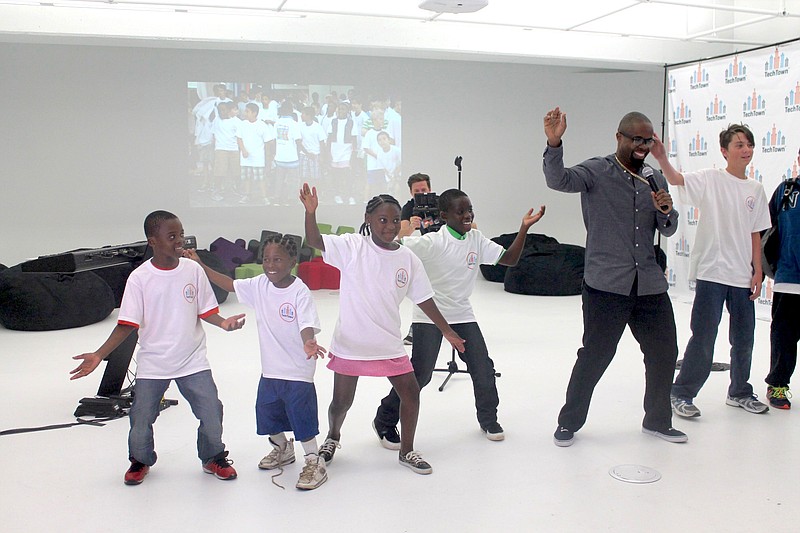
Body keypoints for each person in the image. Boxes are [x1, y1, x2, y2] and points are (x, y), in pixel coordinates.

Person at [542, 107, 686, 446]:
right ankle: (569, 422)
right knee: (595, 355)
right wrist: (554, 141)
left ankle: (657, 421)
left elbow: (669, 226)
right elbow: (558, 179)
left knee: (664, 352)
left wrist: (667, 211)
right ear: (619, 137)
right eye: (635, 138)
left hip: (649, 283)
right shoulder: (597, 170)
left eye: (647, 139)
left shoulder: (655, 177)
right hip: (606, 283)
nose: (642, 144)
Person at [299, 183, 465, 475]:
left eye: (393, 220)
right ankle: (333, 437)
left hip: (387, 344)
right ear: (368, 220)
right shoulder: (352, 247)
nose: (388, 227)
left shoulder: (408, 259)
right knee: (341, 403)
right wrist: (311, 212)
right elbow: (314, 240)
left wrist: (447, 330)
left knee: (411, 392)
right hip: (352, 342)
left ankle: (407, 451)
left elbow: (424, 298)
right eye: (382, 220)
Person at [70, 210, 246, 485]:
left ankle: (213, 457)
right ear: (152, 241)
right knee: (141, 417)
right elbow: (127, 324)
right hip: (154, 362)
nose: (180, 242)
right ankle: (140, 460)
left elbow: (205, 310)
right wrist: (99, 354)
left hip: (192, 360)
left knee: (212, 410)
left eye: (181, 235)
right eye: (172, 236)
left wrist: (223, 323)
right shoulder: (140, 278)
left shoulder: (193, 270)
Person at [373, 189, 545, 446]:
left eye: (469, 209)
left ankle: (488, 419)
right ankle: (384, 420)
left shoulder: (476, 239)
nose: (467, 215)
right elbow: (392, 246)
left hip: (461, 313)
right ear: (444, 216)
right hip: (430, 314)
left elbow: (509, 259)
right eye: (460, 211)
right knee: (421, 374)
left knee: (483, 368)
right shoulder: (432, 243)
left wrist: (523, 228)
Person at [186, 235, 329, 490]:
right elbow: (230, 285)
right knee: (267, 414)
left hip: (297, 370)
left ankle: (313, 459)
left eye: (278, 260)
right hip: (271, 369)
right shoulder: (260, 284)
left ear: (293, 262)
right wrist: (200, 265)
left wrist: (308, 341)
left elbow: (307, 324)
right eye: (266, 259)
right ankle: (283, 449)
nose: (271, 265)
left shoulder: (300, 292)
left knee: (301, 417)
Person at [652, 124, 771, 416]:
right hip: (712, 273)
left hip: (742, 276)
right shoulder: (710, 179)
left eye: (749, 145)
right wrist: (662, 158)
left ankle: (739, 391)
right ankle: (681, 393)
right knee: (703, 336)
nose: (746, 150)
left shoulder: (755, 189)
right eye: (739, 145)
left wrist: (758, 271)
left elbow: (756, 233)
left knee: (744, 338)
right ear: (724, 151)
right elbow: (677, 178)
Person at [763, 148, 800, 409]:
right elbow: (766, 228)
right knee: (784, 335)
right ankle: (777, 385)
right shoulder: (786, 192)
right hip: (789, 278)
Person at [237, 102, 276, 205]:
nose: (245, 113)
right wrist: (243, 150)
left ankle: (264, 197)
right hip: (245, 158)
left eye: (247, 111)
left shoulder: (262, 125)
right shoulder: (242, 124)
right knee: (246, 178)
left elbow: (268, 142)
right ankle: (247, 195)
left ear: (254, 113)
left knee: (261, 179)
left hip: (258, 158)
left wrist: (268, 157)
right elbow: (239, 138)